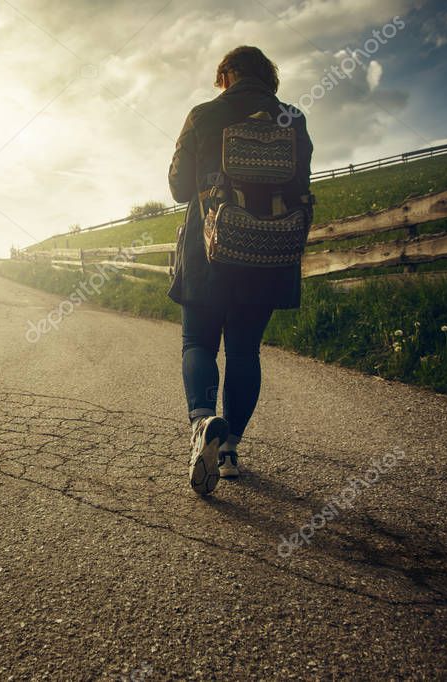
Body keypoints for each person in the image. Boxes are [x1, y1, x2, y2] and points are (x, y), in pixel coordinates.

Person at [167, 46, 313, 496]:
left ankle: (203, 423)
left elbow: (176, 188)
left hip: (211, 249)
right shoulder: (293, 118)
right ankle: (229, 449)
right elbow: (301, 182)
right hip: (269, 252)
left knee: (198, 342)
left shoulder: (204, 115)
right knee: (245, 352)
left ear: (227, 75)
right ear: (268, 77)